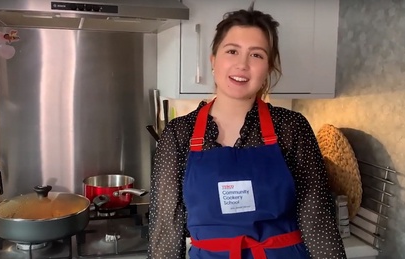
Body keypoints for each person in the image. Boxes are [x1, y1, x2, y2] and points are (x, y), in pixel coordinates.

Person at [147, 4, 347, 259]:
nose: (242, 64)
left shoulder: (291, 127)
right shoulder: (179, 134)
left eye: (256, 55)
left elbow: (317, 219)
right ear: (213, 60)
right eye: (232, 51)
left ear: (267, 69)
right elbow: (166, 228)